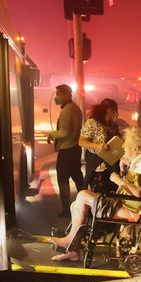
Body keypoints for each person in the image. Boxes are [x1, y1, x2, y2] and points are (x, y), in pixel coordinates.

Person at [50, 127, 141, 261]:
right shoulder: (138, 161)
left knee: (83, 195)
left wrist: (118, 179)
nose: (123, 146)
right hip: (122, 204)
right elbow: (134, 187)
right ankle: (74, 251)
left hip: (127, 210)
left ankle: (70, 242)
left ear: (136, 148)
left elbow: (137, 193)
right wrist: (123, 170)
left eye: (126, 144)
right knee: (75, 205)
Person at [48, 84, 84, 217]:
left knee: (63, 179)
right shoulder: (76, 108)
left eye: (58, 94)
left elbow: (65, 132)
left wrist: (52, 134)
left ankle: (66, 209)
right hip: (75, 148)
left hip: (66, 150)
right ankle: (87, 204)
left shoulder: (67, 110)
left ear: (66, 95)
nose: (56, 97)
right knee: (77, 177)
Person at [80, 98, 120, 192]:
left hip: (112, 165)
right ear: (110, 111)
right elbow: (81, 141)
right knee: (99, 195)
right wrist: (97, 146)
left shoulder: (113, 124)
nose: (117, 114)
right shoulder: (92, 123)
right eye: (115, 111)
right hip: (97, 167)